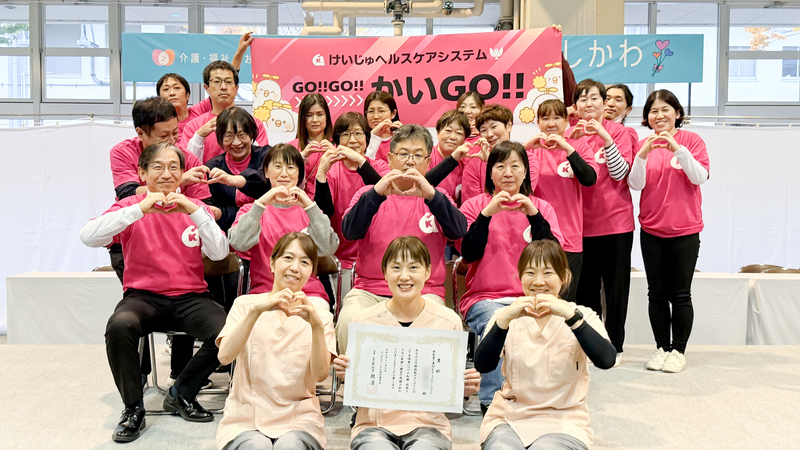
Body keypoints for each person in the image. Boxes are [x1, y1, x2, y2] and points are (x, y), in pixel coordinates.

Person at [80, 143, 229, 443]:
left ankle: (181, 392)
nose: (166, 174)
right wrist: (139, 209)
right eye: (158, 167)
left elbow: (220, 252)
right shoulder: (129, 207)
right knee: (119, 326)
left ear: (182, 173)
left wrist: (196, 212)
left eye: (174, 167)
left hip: (191, 297)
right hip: (142, 297)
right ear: (142, 173)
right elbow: (88, 236)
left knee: (229, 332)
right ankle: (133, 408)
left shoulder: (194, 208)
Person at [333, 236, 481, 450]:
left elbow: (449, 389)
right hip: (373, 426)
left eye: (413, 267)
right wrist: (346, 373)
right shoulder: (364, 321)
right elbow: (360, 384)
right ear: (385, 273)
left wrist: (465, 388)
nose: (404, 276)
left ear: (427, 272)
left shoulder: (448, 321)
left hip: (429, 427)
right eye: (396, 268)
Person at [336, 124, 468, 353]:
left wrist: (432, 196)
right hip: (371, 291)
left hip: (425, 293)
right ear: (390, 158)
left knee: (445, 324)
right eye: (404, 154)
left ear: (428, 162)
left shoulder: (438, 197)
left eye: (418, 155)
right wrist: (376, 194)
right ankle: (351, 377)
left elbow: (458, 231)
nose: (410, 161)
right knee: (349, 318)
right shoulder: (368, 194)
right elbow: (349, 232)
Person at [475, 239, 616, 450]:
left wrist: (571, 317)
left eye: (548, 273)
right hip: (510, 416)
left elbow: (607, 359)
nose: (539, 281)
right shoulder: (504, 316)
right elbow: (483, 365)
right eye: (530, 273)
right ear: (520, 277)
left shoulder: (583, 315)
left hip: (565, 420)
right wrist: (504, 321)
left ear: (564, 277)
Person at [458, 141, 563, 414]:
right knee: (502, 322)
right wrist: (486, 214)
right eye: (500, 166)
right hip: (485, 298)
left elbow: (554, 257)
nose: (508, 173)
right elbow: (468, 253)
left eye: (515, 166)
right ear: (490, 172)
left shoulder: (541, 208)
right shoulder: (474, 206)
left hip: (534, 296)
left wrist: (534, 216)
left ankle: (542, 398)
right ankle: (492, 402)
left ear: (525, 171)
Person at [215, 232, 336, 450]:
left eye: (304, 262)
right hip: (246, 418)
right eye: (288, 258)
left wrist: (316, 327)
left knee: (291, 446)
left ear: (311, 272)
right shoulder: (245, 305)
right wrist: (255, 313)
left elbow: (320, 375)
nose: (295, 267)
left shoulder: (321, 318)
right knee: (255, 446)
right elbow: (224, 357)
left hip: (299, 419)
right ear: (272, 264)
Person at [628, 89, 709, 374]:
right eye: (653, 111)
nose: (659, 115)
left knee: (681, 294)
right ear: (647, 117)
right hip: (651, 230)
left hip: (685, 230)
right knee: (656, 294)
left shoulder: (691, 141)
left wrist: (677, 149)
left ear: (677, 113)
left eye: (665, 109)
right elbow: (635, 184)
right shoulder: (643, 144)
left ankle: (679, 351)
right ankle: (662, 348)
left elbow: (699, 176)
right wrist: (641, 155)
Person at [569, 79, 636, 367]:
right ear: (575, 106)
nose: (589, 104)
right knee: (586, 291)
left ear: (603, 102)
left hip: (616, 224)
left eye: (594, 98)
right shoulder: (569, 134)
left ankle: (615, 346)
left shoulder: (619, 132)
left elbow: (620, 174)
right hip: (580, 225)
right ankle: (593, 345)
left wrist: (605, 138)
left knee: (615, 290)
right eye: (582, 99)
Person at [228, 144, 339, 308]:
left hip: (308, 294)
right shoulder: (251, 210)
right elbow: (238, 243)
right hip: (265, 293)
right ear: (266, 172)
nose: (284, 174)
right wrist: (261, 204)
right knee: (242, 309)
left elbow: (328, 248)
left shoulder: (310, 210)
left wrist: (310, 207)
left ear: (300, 173)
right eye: (278, 166)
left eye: (291, 167)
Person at [525, 99, 598, 301]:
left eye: (557, 117)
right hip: (535, 238)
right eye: (545, 118)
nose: (551, 123)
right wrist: (525, 147)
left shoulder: (578, 147)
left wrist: (568, 148)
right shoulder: (530, 150)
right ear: (538, 122)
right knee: (535, 300)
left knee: (565, 302)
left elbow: (589, 179)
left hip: (569, 239)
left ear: (566, 121)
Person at [314, 112, 390, 291]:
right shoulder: (332, 170)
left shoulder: (380, 167)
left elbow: (385, 198)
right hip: (341, 260)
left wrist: (361, 162)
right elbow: (324, 212)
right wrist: (320, 175)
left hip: (378, 259)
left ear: (367, 137)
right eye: (346, 134)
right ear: (338, 140)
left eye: (358, 133)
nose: (353, 140)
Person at [180, 60, 269, 163]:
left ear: (236, 88)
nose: (223, 87)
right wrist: (199, 136)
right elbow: (186, 165)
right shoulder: (194, 127)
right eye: (216, 81)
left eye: (228, 82)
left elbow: (262, 161)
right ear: (206, 88)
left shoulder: (254, 124)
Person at [204, 106, 271, 233]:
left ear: (252, 134)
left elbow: (267, 184)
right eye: (229, 136)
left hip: (268, 229)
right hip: (228, 232)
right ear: (220, 138)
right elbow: (211, 208)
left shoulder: (267, 156)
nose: (236, 142)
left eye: (242, 135)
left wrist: (234, 180)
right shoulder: (212, 167)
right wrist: (222, 214)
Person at [460, 104, 540, 203]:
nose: (489, 134)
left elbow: (522, 194)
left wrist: (490, 161)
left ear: (509, 126)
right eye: (484, 130)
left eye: (494, 127)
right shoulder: (474, 164)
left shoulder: (528, 159)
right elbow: (472, 204)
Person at [288, 93, 335, 199]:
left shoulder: (337, 146)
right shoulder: (291, 147)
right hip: (299, 203)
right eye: (309, 115)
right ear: (302, 118)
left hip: (330, 204)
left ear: (327, 117)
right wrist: (301, 157)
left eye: (320, 114)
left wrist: (336, 155)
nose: (314, 120)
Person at [426, 110, 472, 202]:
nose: (452, 137)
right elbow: (423, 185)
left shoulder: (467, 162)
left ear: (465, 139)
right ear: (438, 133)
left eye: (459, 133)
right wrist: (452, 159)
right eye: (448, 131)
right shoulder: (426, 157)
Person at [363, 90, 402, 163]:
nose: (375, 116)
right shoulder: (360, 139)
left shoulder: (401, 138)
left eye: (381, 111)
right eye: (371, 111)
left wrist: (406, 137)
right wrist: (374, 137)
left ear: (393, 114)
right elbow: (363, 166)